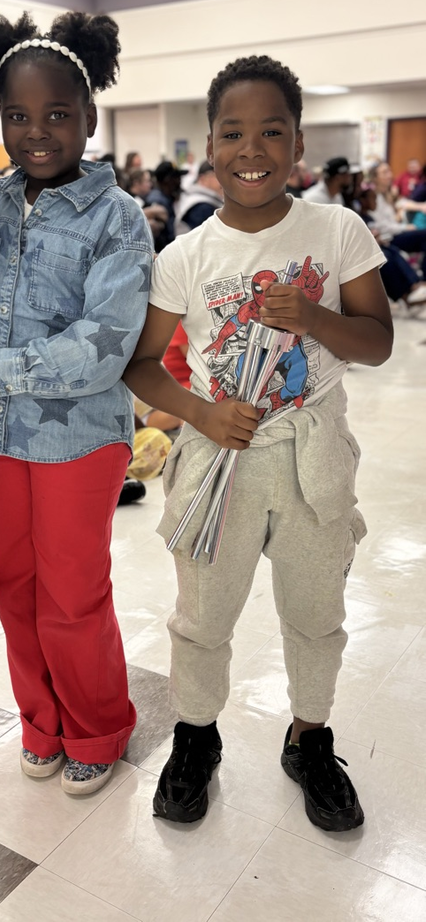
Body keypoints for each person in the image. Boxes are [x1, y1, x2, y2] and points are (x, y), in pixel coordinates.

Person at [124, 53, 392, 832]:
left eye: (270, 131)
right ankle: (196, 736)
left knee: (315, 611)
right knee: (202, 615)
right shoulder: (185, 256)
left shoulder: (336, 229)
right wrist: (200, 415)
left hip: (313, 456)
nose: (252, 150)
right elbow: (143, 365)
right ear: (208, 146)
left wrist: (310, 318)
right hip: (220, 460)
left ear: (298, 143)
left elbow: (375, 342)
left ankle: (309, 738)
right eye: (232, 133)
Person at [0, 9, 153, 795]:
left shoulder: (117, 218)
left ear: (89, 117)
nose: (37, 132)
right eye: (18, 116)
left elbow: (104, 346)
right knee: (12, 584)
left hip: (77, 441)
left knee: (71, 592)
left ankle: (97, 727)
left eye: (57, 115)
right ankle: (40, 723)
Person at [357, 184, 426, 308]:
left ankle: (415, 285)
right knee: (386, 257)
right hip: (387, 238)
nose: (376, 202)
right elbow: (381, 228)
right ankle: (405, 295)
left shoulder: (385, 199)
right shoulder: (361, 217)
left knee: (393, 252)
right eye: (373, 199)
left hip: (386, 239)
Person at [367, 161, 426, 270]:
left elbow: (402, 202)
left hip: (396, 232)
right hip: (389, 237)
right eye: (385, 173)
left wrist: (420, 206)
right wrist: (405, 227)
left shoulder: (387, 194)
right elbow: (381, 226)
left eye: (389, 171)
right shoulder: (374, 198)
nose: (389, 175)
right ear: (375, 177)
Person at [147, 160, 188, 251]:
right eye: (177, 178)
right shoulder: (157, 201)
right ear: (167, 180)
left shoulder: (168, 198)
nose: (180, 182)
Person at [174, 160, 223, 235]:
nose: (224, 181)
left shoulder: (194, 198)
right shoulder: (202, 206)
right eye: (218, 175)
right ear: (203, 179)